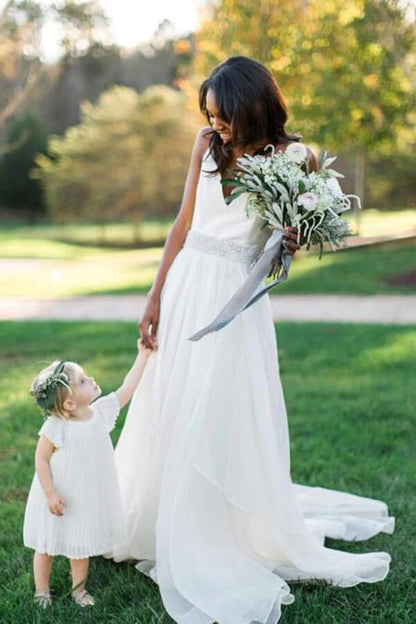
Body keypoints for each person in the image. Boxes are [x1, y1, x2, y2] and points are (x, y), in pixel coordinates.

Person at [112, 57, 394, 623]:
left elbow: (293, 242)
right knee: (172, 402)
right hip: (189, 280)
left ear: (251, 106)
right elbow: (183, 225)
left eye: (223, 116)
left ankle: (219, 523)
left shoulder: (296, 157)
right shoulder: (205, 147)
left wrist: (292, 241)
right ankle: (160, 519)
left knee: (222, 407)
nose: (214, 125)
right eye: (209, 115)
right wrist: (153, 296)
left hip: (236, 300)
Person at [23, 340, 152, 608]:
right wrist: (50, 494)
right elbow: (42, 459)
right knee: (46, 546)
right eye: (82, 381)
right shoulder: (56, 426)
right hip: (57, 496)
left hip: (83, 496)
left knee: (78, 546)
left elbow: (127, 388)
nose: (90, 378)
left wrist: (143, 356)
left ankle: (79, 591)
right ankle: (41, 591)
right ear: (69, 404)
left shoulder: (101, 412)